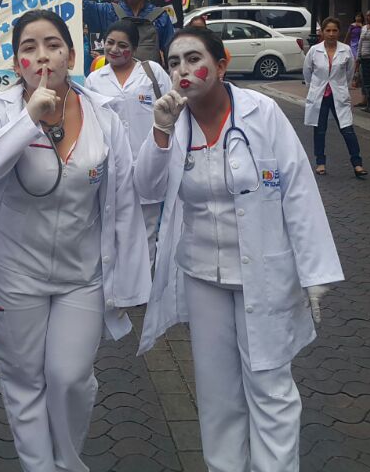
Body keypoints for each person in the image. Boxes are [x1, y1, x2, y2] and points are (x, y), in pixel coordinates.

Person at [0, 9, 150, 472]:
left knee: (70, 377)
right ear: (16, 62)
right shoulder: (1, 110)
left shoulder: (104, 116)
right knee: (23, 381)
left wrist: (128, 279)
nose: (42, 56)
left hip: (82, 277)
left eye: (53, 45)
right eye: (28, 48)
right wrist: (27, 122)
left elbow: (122, 201)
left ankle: (65, 460)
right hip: (14, 275)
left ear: (72, 56)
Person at [137, 26, 343, 472]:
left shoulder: (260, 112)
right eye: (174, 63)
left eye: (194, 59)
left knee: (269, 385)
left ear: (222, 63)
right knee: (216, 391)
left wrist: (315, 274)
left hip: (263, 275)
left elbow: (298, 191)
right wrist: (158, 132)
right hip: (202, 277)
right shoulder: (173, 121)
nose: (184, 70)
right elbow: (146, 188)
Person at [85, 20, 173, 260]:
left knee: (146, 233)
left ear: (133, 48)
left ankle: (146, 292)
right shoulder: (94, 79)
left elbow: (174, 110)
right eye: (110, 43)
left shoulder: (152, 72)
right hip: (112, 166)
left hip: (149, 162)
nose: (114, 49)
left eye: (122, 45)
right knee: (113, 230)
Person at [303, 18, 366, 177]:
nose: (331, 34)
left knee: (347, 129)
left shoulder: (345, 50)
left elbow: (349, 73)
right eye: (328, 31)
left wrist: (341, 86)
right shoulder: (314, 50)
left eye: (334, 31)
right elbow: (307, 72)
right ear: (322, 32)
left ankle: (357, 164)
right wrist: (315, 87)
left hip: (338, 94)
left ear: (339, 32)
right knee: (320, 130)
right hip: (320, 95)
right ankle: (320, 163)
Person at [83, 0, 176, 64]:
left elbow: (172, 54)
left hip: (149, 79)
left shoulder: (161, 17)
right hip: (115, 79)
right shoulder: (108, 11)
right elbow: (79, 4)